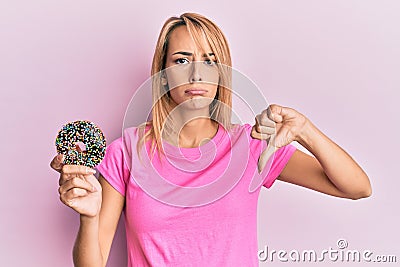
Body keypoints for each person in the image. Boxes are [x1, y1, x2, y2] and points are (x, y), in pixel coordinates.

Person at [50, 13, 372, 267]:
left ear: (221, 74)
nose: (196, 75)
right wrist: (89, 217)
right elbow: (92, 263)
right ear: (162, 74)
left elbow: (357, 187)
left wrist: (305, 131)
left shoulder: (252, 147)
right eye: (181, 60)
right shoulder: (127, 152)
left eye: (209, 60)